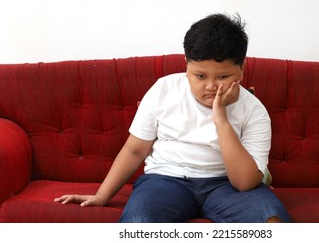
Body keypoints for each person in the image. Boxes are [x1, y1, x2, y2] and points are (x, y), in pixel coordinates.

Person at [54, 13, 290, 223]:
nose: (210, 86)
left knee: (271, 220)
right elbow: (135, 150)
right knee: (140, 220)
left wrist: (221, 119)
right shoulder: (163, 89)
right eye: (199, 76)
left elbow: (244, 183)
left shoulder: (254, 110)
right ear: (186, 65)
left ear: (242, 69)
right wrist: (102, 195)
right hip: (166, 180)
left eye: (223, 76)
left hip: (226, 185)